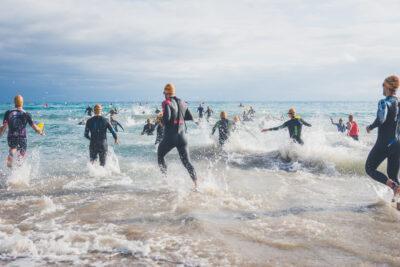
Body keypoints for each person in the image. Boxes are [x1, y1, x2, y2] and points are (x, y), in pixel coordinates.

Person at [365, 75, 400, 202]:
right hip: (397, 144)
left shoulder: (384, 102)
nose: (382, 88)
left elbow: (381, 119)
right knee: (393, 176)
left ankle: (393, 186)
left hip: (384, 143)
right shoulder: (399, 103)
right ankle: (397, 203)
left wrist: (370, 126)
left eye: (383, 85)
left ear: (387, 86)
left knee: (369, 168)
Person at [158, 83, 198, 190]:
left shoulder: (166, 103)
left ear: (166, 93)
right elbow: (190, 117)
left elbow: (167, 119)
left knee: (160, 155)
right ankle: (196, 185)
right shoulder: (183, 103)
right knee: (187, 162)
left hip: (171, 137)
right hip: (182, 137)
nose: (163, 95)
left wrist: (160, 120)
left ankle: (165, 180)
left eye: (164, 93)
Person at [0, 95, 44, 168]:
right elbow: (35, 128)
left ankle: (11, 154)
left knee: (12, 148)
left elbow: (4, 127)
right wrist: (41, 132)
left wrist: (0, 134)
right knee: (22, 153)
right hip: (22, 137)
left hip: (11, 137)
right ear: (22, 103)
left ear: (14, 102)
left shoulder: (8, 113)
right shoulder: (26, 114)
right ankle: (19, 166)